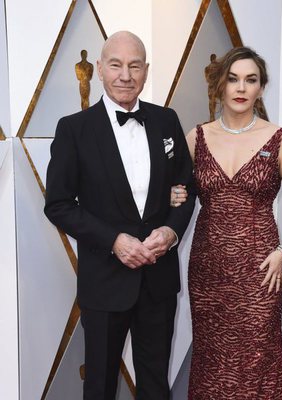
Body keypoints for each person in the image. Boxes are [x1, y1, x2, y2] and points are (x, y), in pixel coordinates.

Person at [44, 31, 195, 400]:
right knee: (99, 386)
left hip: (158, 281)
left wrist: (171, 233)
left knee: (155, 385)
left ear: (146, 71)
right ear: (99, 69)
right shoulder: (73, 129)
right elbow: (59, 203)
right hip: (105, 281)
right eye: (116, 65)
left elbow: (184, 189)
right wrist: (114, 241)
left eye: (134, 66)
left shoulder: (166, 121)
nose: (125, 75)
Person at [171, 47, 282, 399]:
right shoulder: (196, 138)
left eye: (250, 80)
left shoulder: (280, 140)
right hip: (208, 269)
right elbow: (179, 192)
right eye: (233, 79)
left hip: (261, 269)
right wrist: (175, 195)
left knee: (257, 359)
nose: (241, 87)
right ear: (220, 85)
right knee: (211, 359)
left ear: (261, 88)